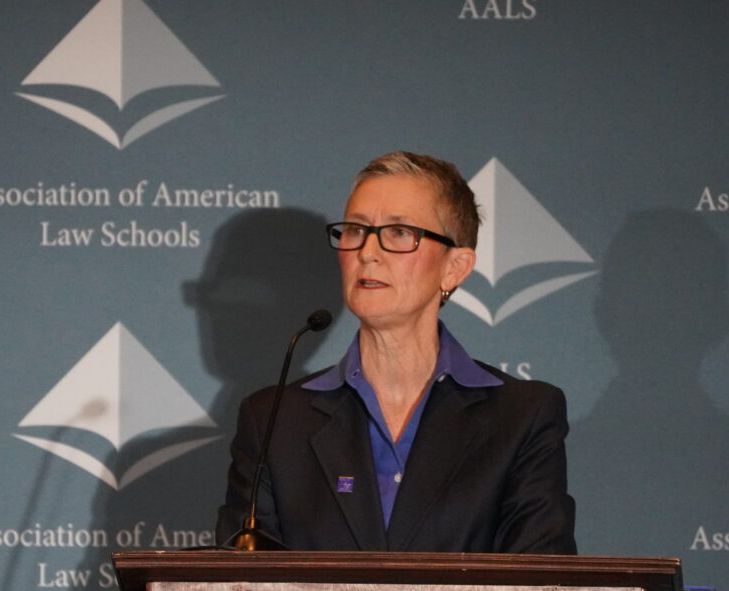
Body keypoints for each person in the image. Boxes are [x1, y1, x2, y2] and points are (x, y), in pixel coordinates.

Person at [216, 151, 576, 553]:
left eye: (400, 232)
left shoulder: (522, 416)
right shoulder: (274, 420)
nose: (367, 252)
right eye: (355, 230)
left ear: (455, 267)